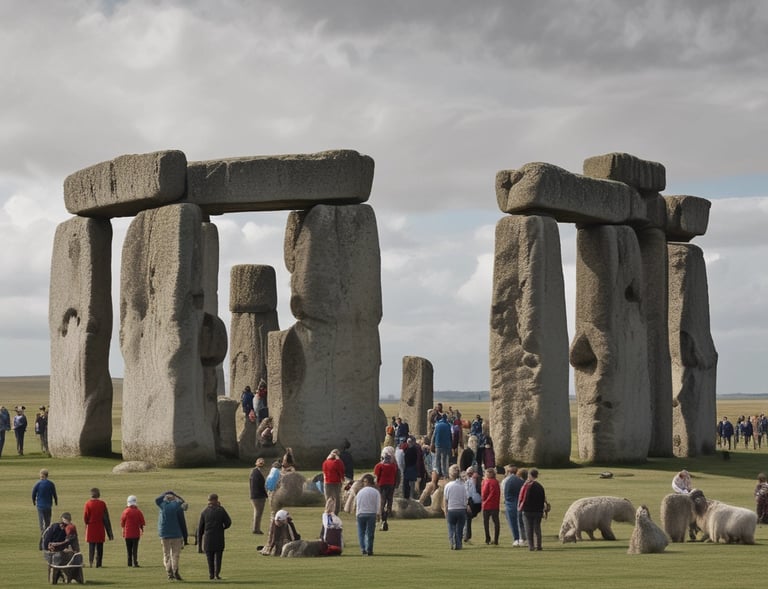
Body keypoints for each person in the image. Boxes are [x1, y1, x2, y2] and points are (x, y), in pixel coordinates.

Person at [197, 493, 232, 580]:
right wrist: (223, 528)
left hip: (208, 538)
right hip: (219, 537)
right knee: (218, 558)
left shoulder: (204, 512)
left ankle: (211, 574)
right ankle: (217, 574)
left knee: (210, 558)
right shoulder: (221, 510)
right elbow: (228, 522)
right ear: (216, 500)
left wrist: (199, 546)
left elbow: (200, 530)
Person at [155, 490, 189, 581]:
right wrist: (175, 495)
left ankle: (169, 571)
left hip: (164, 534)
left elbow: (157, 500)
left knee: (166, 554)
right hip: (176, 534)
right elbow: (182, 501)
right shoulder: (176, 506)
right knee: (175, 554)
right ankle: (175, 570)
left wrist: (165, 494)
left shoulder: (162, 506)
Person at [83, 487, 113, 567]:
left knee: (91, 546)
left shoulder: (88, 504)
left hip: (91, 527)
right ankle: (99, 563)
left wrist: (87, 523)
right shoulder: (102, 504)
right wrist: (110, 533)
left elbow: (86, 516)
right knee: (100, 546)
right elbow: (106, 518)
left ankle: (91, 562)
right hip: (100, 526)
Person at [518, 468, 547, 551]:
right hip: (538, 510)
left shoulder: (526, 485)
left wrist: (521, 507)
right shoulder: (540, 486)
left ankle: (531, 546)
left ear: (529, 475)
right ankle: (539, 545)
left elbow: (522, 498)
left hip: (528, 510)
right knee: (537, 528)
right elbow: (543, 499)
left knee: (529, 528)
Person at [443, 464, 468, 550]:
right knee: (459, 529)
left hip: (451, 509)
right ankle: (459, 544)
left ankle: (452, 542)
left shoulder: (448, 486)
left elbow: (445, 500)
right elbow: (465, 498)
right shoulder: (463, 485)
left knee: (451, 527)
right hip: (461, 510)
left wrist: (445, 510)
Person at [355, 473, 380, 556]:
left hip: (361, 513)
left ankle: (363, 548)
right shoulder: (375, 492)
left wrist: (357, 514)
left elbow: (357, 504)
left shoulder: (360, 492)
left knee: (361, 532)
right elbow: (378, 504)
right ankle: (369, 549)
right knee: (370, 533)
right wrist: (378, 514)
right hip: (371, 514)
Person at [374, 450, 398, 531]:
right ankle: (388, 513)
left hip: (382, 484)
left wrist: (376, 485)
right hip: (391, 484)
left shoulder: (379, 466)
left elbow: (377, 477)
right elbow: (395, 475)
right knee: (389, 500)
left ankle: (382, 517)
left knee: (382, 501)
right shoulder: (393, 466)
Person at [32, 468, 59, 541]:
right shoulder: (51, 484)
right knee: (47, 521)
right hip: (48, 505)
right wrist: (56, 501)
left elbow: (33, 493)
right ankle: (47, 534)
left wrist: (34, 501)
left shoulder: (38, 484)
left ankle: (43, 536)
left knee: (41, 521)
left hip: (40, 506)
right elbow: (54, 494)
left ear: (42, 475)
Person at [120, 495, 145, 567]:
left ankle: (129, 562)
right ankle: (135, 562)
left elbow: (122, 523)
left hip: (127, 534)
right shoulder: (138, 511)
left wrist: (123, 530)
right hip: (136, 534)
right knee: (135, 549)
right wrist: (142, 529)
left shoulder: (125, 511)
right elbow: (142, 522)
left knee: (129, 549)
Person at [502, 465, 524, 546]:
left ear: (508, 472)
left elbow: (504, 492)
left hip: (510, 502)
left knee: (512, 522)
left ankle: (516, 539)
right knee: (520, 521)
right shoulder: (521, 480)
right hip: (519, 502)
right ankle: (522, 538)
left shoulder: (505, 481)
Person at [322, 449, 345, 516]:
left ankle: (328, 510)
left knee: (329, 497)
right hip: (335, 482)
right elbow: (341, 470)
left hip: (328, 482)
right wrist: (342, 478)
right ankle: (334, 512)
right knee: (336, 497)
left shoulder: (326, 462)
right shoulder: (337, 462)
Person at [481, 467, 501, 545]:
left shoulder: (488, 482)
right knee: (494, 522)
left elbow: (486, 493)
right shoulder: (494, 482)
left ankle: (489, 539)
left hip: (488, 505)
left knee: (488, 522)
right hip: (493, 505)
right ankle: (493, 539)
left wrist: (485, 501)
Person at [249, 458, 268, 535]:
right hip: (259, 496)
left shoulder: (253, 472)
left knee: (257, 512)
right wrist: (266, 494)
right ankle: (256, 529)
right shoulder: (259, 473)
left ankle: (256, 528)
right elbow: (262, 486)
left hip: (254, 495)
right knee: (258, 513)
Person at [464, 466, 482, 543]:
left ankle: (467, 535)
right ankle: (467, 535)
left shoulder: (471, 482)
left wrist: (468, 504)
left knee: (467, 518)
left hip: (475, 503)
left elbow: (468, 494)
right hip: (476, 502)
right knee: (468, 519)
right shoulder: (469, 481)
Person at [432, 414, 452, 478]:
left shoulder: (437, 425)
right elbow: (450, 435)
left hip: (438, 444)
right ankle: (445, 474)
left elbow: (434, 435)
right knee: (444, 459)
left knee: (437, 459)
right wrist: (451, 444)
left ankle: (437, 473)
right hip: (446, 445)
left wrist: (432, 443)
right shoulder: (448, 425)